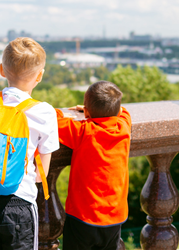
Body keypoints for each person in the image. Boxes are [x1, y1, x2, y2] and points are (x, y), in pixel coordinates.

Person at [0, 37, 59, 250]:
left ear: (1, 70)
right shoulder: (44, 112)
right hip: (19, 201)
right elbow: (45, 161)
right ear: (40, 76)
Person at [56, 81, 131, 250]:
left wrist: (68, 112)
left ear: (87, 112)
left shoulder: (82, 131)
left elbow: (51, 120)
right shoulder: (124, 127)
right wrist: (93, 109)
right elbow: (123, 111)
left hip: (83, 217)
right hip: (114, 217)